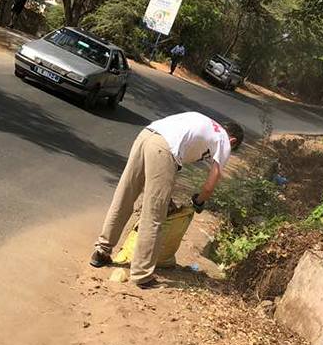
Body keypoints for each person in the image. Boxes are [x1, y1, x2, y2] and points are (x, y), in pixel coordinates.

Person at [90, 112, 244, 288]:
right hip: (163, 149)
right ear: (233, 141)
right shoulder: (224, 140)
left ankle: (101, 252)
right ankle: (142, 275)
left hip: (146, 135)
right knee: (154, 214)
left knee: (125, 196)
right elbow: (210, 184)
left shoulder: (205, 121)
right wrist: (199, 201)